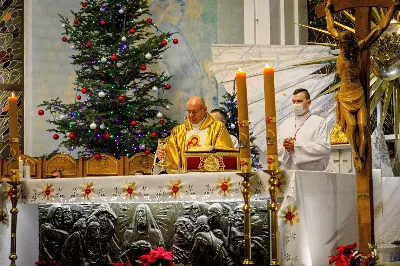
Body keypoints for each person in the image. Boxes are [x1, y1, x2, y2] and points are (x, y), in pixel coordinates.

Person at [325, 0, 400, 170]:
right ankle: (356, 154)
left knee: (363, 125)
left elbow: (380, 28)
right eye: (342, 45)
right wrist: (328, 11)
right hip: (345, 93)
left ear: (351, 43)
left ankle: (362, 153)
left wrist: (393, 8)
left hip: (357, 92)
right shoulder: (340, 42)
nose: (344, 47)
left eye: (347, 44)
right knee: (351, 126)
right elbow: (331, 28)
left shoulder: (359, 48)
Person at [153, 96, 234, 174]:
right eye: (189, 111)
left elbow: (224, 152)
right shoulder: (178, 131)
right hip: (183, 177)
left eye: (194, 112)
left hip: (208, 176)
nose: (191, 115)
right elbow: (169, 155)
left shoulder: (217, 128)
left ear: (204, 109)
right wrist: (161, 154)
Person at [277, 88, 330, 171]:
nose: (295, 104)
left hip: (311, 174)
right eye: (293, 101)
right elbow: (277, 148)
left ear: (309, 103)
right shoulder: (285, 124)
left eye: (299, 101)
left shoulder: (319, 122)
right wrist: (286, 148)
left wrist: (296, 146)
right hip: (288, 173)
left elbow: (324, 148)